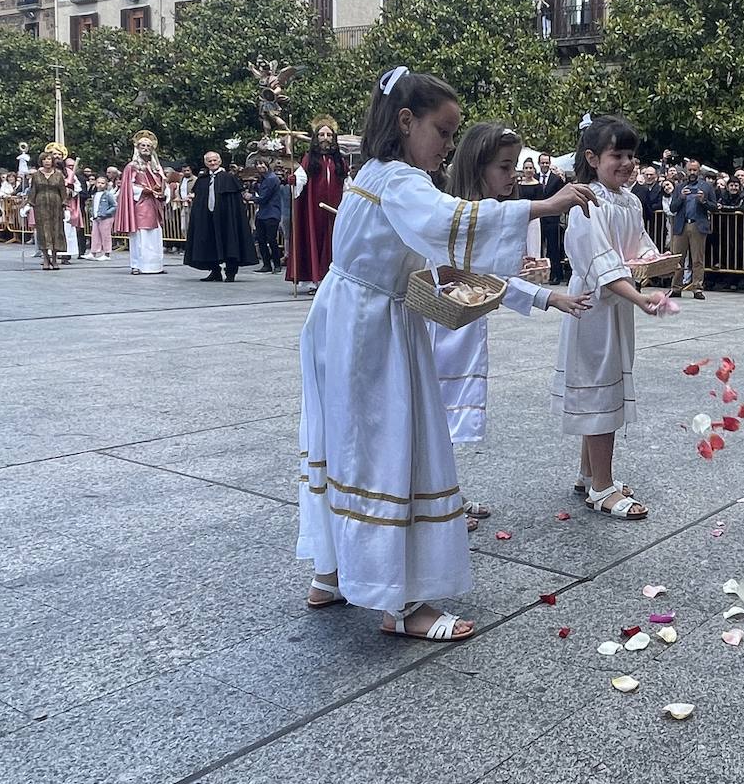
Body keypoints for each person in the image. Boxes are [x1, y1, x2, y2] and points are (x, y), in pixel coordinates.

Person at [297, 67, 596, 642]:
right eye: (442, 130)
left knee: (344, 441)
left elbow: (432, 249)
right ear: (406, 122)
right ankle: (402, 603)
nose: (447, 147)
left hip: (343, 319)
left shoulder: (374, 173)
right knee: (391, 448)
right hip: (373, 327)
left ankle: (331, 571)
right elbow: (447, 221)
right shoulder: (403, 180)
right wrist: (542, 206)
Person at [436, 123, 592, 526]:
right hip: (434, 329)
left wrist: (549, 297)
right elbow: (468, 256)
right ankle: (436, 500)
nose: (512, 177)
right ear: (476, 166)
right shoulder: (453, 211)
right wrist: (547, 204)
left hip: (462, 326)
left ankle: (445, 491)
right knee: (431, 418)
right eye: (504, 167)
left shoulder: (484, 209)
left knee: (442, 421)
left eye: (514, 167)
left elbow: (493, 278)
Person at [551, 115, 663, 521]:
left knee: (604, 384)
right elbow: (599, 262)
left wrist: (655, 260)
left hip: (618, 303)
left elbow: (640, 245)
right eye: (618, 154)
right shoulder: (586, 201)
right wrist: (638, 297)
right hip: (593, 307)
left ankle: (589, 474)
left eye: (631, 155)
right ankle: (602, 487)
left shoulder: (629, 200)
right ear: (592, 157)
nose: (627, 163)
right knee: (600, 390)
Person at [287, 117, 347, 292]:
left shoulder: (339, 160)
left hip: (335, 209)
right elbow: (301, 178)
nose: (325, 137)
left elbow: (347, 183)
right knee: (315, 240)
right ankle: (315, 280)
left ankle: (333, 280)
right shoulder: (309, 159)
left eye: (329, 134)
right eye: (321, 134)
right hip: (313, 210)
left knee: (334, 242)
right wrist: (294, 179)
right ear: (316, 137)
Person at [184, 151, 257, 282]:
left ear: (220, 161)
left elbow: (235, 203)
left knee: (230, 241)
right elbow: (199, 200)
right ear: (206, 163)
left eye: (214, 160)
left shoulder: (229, 178)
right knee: (209, 242)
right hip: (208, 217)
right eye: (209, 161)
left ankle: (230, 272)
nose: (212, 163)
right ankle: (214, 271)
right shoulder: (202, 180)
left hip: (226, 218)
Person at [115, 130, 166, 275]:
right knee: (140, 236)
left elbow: (163, 184)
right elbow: (128, 187)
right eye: (143, 146)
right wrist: (143, 191)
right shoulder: (132, 166)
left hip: (155, 205)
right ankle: (137, 265)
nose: (146, 148)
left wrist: (163, 192)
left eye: (149, 146)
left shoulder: (156, 167)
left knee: (154, 236)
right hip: (141, 205)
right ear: (137, 148)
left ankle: (155, 265)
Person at [668, 157, 717, 301]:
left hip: (697, 224)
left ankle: (697, 288)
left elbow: (714, 207)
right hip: (681, 225)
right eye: (690, 170)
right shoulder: (679, 187)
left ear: (699, 171)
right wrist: (681, 197)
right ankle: (676, 288)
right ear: (686, 170)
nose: (692, 172)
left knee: (697, 259)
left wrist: (704, 201)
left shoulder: (706, 187)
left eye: (695, 170)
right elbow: (672, 208)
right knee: (678, 258)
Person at [26, 150, 67, 270]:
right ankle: (45, 258)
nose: (47, 162)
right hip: (41, 204)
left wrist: (65, 205)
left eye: (49, 159)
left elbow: (63, 191)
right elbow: (33, 190)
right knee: (43, 231)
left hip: (56, 204)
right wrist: (29, 204)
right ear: (41, 161)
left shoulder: (59, 174)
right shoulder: (36, 175)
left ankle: (54, 259)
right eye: (45, 159)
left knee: (56, 230)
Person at [535, 152, 567, 283]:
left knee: (553, 248)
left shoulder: (556, 179)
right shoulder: (535, 178)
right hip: (538, 218)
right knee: (537, 247)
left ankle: (555, 274)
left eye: (547, 163)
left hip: (552, 218)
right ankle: (539, 274)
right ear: (539, 164)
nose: (545, 165)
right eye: (542, 163)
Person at [252, 162, 282, 273]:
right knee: (261, 239)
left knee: (271, 240)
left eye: (262, 164)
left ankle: (276, 264)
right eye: (258, 164)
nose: (260, 166)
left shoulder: (271, 179)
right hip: (263, 213)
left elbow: (263, 197)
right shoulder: (264, 179)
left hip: (271, 213)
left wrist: (251, 197)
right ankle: (267, 264)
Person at [88, 176, 116, 260]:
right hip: (96, 217)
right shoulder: (96, 194)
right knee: (95, 235)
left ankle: (107, 253)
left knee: (105, 235)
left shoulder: (108, 194)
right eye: (99, 183)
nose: (100, 185)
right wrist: (92, 213)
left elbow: (114, 206)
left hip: (106, 218)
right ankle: (93, 252)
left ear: (106, 185)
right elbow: (93, 205)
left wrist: (106, 213)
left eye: (102, 183)